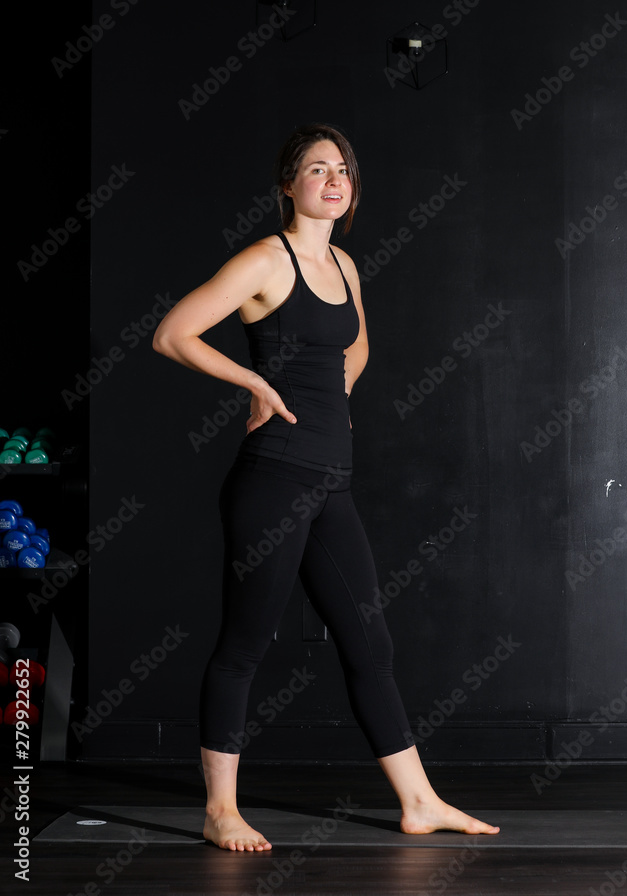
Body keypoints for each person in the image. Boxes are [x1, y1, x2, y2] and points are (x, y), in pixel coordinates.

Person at [152, 123, 499, 852]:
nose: (334, 180)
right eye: (317, 169)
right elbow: (174, 333)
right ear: (288, 185)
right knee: (246, 644)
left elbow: (357, 343)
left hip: (331, 480)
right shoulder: (264, 260)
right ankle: (220, 810)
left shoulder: (343, 263)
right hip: (273, 477)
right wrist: (256, 385)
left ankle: (419, 802)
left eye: (342, 169)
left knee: (370, 644)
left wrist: (332, 400)